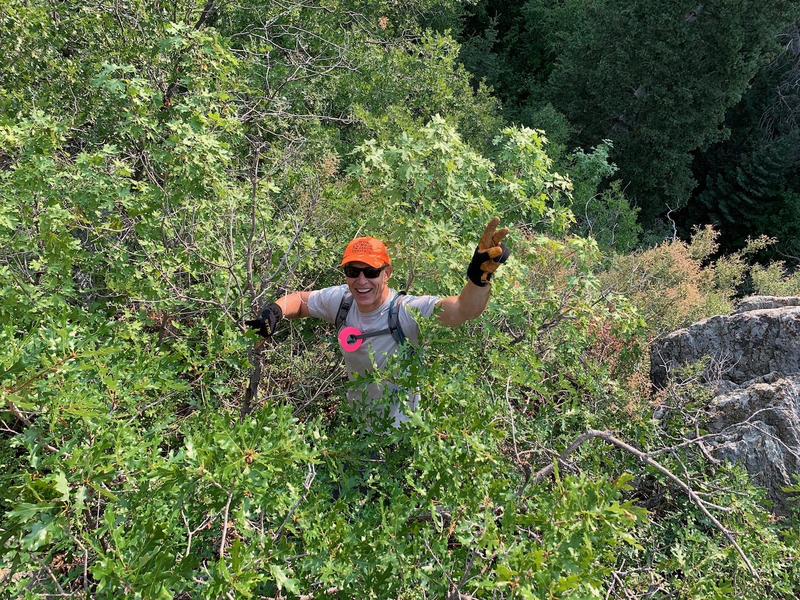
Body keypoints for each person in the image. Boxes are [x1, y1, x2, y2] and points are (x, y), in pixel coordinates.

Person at [247, 217, 510, 429]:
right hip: (358, 424)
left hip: (400, 431)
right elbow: (302, 301)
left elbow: (463, 310)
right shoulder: (342, 300)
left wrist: (478, 279)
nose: (361, 280)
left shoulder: (405, 312)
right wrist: (274, 313)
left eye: (371, 272)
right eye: (353, 271)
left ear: (387, 273)